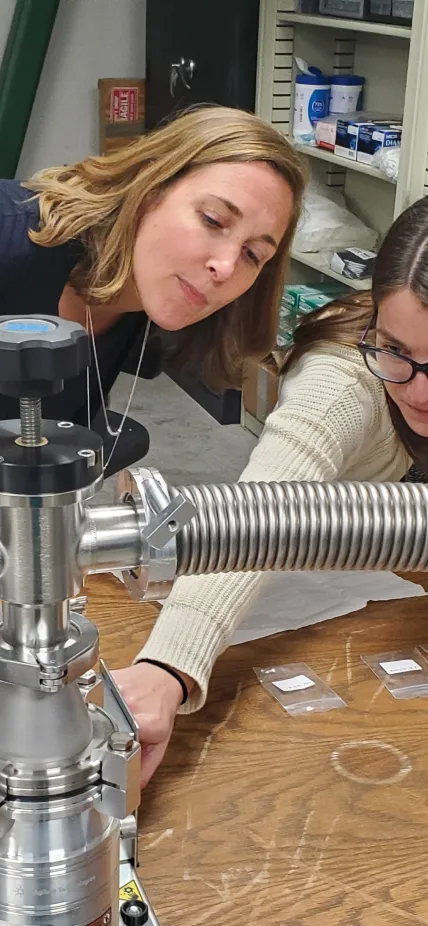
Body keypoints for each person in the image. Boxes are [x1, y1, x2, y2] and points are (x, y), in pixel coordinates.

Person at [114, 194, 428, 786]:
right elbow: (260, 513)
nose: (418, 392)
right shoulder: (342, 382)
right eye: (396, 350)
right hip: (357, 619)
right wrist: (165, 669)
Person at [0, 104, 304, 472]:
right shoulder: (9, 238)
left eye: (253, 254)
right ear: (148, 190)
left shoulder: (154, 304)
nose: (225, 267)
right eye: (213, 220)